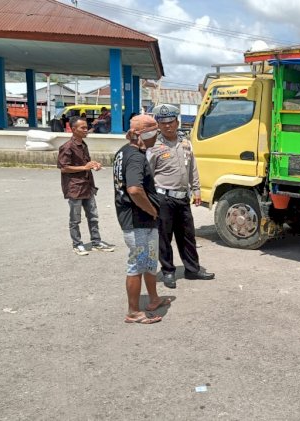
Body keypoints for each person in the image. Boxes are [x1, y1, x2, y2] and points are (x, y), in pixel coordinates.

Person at [149, 104, 215, 288]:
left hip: (182, 198)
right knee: (164, 237)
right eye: (163, 123)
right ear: (158, 125)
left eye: (170, 122)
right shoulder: (154, 146)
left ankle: (192, 269)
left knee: (187, 236)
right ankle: (168, 271)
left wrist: (197, 190)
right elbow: (149, 174)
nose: (167, 126)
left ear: (177, 122)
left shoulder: (186, 143)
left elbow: (192, 167)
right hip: (164, 198)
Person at [112, 114, 167, 324]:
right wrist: (152, 209)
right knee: (137, 264)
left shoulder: (124, 152)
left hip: (142, 221)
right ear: (145, 134)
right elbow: (134, 189)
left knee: (149, 261)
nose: (157, 137)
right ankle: (133, 312)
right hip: (137, 220)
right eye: (155, 133)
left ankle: (153, 298)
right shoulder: (135, 157)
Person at [57, 116, 115, 255]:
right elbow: (63, 167)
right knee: (75, 219)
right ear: (73, 129)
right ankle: (77, 244)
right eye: (82, 128)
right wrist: (84, 167)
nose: (86, 130)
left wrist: (94, 164)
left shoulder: (83, 145)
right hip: (75, 188)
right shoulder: (67, 147)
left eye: (86, 127)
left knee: (93, 216)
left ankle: (96, 241)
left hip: (87, 186)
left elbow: (86, 163)